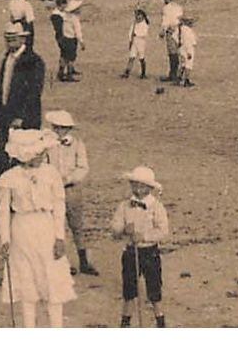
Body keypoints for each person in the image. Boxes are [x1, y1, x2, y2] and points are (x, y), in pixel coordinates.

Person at [0, 129, 76, 328]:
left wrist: (59, 237)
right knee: (26, 282)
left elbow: (59, 205)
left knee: (52, 279)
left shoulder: (51, 173)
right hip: (22, 230)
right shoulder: (9, 178)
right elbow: (3, 211)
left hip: (46, 227)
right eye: (36, 153)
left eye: (42, 153)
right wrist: (5, 239)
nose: (41, 157)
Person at [110, 165, 170, 327]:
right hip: (130, 252)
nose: (137, 188)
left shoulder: (156, 206)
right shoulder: (124, 206)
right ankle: (125, 321)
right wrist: (123, 230)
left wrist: (144, 236)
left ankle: (160, 320)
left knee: (154, 288)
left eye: (141, 186)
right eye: (134, 184)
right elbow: (114, 228)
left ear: (150, 188)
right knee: (129, 289)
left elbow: (163, 231)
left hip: (150, 252)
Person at [44, 110, 97, 276]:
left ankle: (83, 261)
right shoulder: (46, 144)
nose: (60, 131)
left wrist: (69, 179)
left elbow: (83, 167)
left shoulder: (77, 144)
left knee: (77, 225)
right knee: (56, 226)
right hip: (52, 190)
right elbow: (44, 165)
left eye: (64, 128)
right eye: (57, 128)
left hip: (71, 189)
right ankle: (62, 262)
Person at [0, 22, 47, 174]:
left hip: (24, 120)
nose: (10, 42)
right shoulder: (7, 59)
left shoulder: (33, 61)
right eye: (7, 39)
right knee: (2, 157)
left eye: (14, 38)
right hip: (5, 117)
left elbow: (34, 93)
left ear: (23, 39)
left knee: (22, 160)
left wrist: (21, 117)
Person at [158, 0, 183, 82]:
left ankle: (173, 74)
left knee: (172, 53)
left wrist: (162, 31)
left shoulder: (166, 8)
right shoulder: (178, 7)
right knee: (177, 52)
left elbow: (166, 21)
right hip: (179, 31)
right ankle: (176, 73)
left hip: (171, 31)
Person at [59, 0, 85, 82]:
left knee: (63, 56)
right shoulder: (75, 19)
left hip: (64, 38)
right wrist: (81, 41)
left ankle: (61, 72)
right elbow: (78, 31)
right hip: (71, 39)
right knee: (71, 58)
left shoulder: (65, 16)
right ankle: (69, 74)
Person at [123, 7, 150, 79]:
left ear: (143, 16)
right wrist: (130, 40)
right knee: (131, 57)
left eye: (139, 15)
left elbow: (144, 33)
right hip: (134, 41)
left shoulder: (145, 24)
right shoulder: (134, 24)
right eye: (136, 15)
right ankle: (127, 72)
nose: (138, 17)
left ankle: (143, 73)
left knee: (141, 58)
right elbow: (130, 33)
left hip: (141, 42)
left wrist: (137, 34)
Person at [176, 15, 198, 87]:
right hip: (188, 49)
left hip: (181, 48)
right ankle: (186, 80)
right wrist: (189, 52)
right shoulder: (188, 31)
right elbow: (190, 42)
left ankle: (178, 79)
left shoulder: (179, 29)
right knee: (188, 65)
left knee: (182, 64)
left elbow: (175, 38)